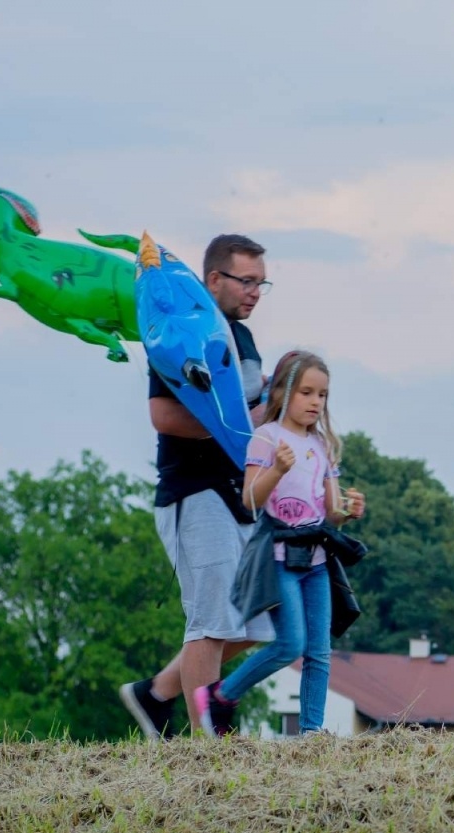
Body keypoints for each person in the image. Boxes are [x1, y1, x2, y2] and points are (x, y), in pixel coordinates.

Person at [119, 234, 276, 738]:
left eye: (261, 283)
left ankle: (155, 694)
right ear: (213, 279)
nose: (254, 292)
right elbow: (162, 416)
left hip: (240, 494)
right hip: (195, 492)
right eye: (246, 280)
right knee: (210, 623)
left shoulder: (243, 339)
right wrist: (236, 424)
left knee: (257, 623)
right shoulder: (186, 332)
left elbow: (250, 411)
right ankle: (210, 745)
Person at [195, 351, 365, 735]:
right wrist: (278, 469)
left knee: (319, 651)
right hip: (277, 557)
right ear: (283, 394)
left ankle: (311, 733)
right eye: (307, 392)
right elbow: (251, 499)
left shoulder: (322, 446)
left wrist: (349, 509)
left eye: (322, 395)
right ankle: (221, 694)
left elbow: (330, 511)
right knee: (290, 645)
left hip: (317, 560)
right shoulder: (266, 438)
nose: (315, 402)